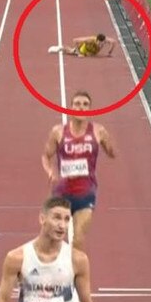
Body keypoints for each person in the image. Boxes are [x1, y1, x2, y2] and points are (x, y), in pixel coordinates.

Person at [0, 197, 98, 302]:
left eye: (67, 219)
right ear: (42, 219)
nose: (62, 225)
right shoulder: (17, 258)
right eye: (56, 218)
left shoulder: (78, 260)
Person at [41, 91, 116, 251]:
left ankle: (74, 274)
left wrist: (109, 145)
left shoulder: (98, 131)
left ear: (89, 109)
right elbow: (46, 156)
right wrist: (50, 171)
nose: (81, 108)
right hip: (61, 192)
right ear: (71, 107)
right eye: (77, 104)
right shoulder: (58, 132)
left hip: (85, 193)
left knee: (79, 238)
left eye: (85, 105)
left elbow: (112, 154)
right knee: (52, 239)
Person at [48, 34, 116, 57]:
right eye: (100, 43)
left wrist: (110, 52)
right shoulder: (90, 39)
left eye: (102, 43)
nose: (101, 44)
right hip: (85, 47)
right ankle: (60, 48)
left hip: (94, 50)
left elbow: (114, 42)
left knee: (91, 55)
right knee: (71, 52)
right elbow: (75, 40)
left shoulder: (106, 40)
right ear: (97, 40)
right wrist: (78, 53)